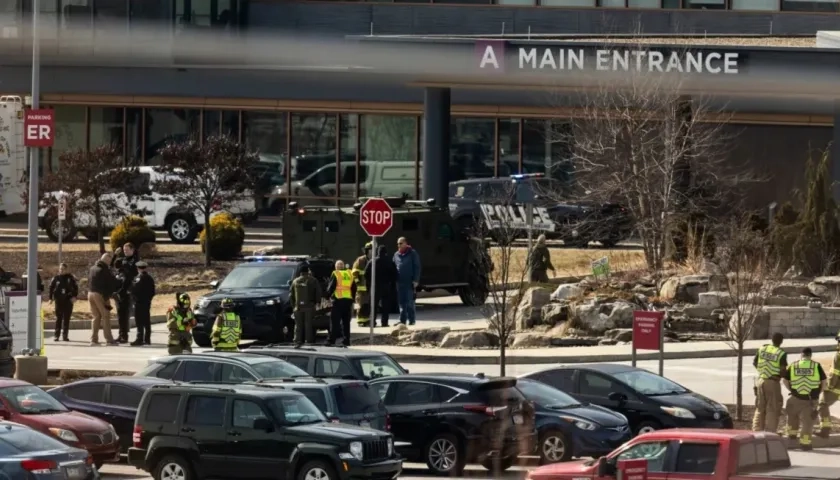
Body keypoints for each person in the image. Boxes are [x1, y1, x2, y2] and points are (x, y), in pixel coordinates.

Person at [783, 347, 827, 450]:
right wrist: (818, 392)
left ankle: (791, 436)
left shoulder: (793, 365)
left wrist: (792, 390)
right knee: (808, 422)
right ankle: (805, 443)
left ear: (801, 355)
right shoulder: (816, 366)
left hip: (795, 398)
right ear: (810, 355)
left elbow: (785, 380)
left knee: (792, 418)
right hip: (810, 400)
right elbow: (824, 382)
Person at [752, 332, 787, 432]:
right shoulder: (781, 353)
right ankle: (769, 433)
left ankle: (756, 431)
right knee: (772, 409)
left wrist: (763, 372)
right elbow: (783, 371)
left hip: (761, 381)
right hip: (772, 382)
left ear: (771, 340)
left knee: (760, 408)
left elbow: (755, 362)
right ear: (781, 341)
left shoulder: (762, 349)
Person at [88, 253, 119, 346]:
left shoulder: (92, 268)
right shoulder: (104, 270)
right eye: (109, 261)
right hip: (101, 295)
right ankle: (109, 339)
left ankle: (93, 340)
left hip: (90, 294)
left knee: (96, 317)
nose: (110, 263)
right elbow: (110, 283)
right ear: (106, 260)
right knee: (106, 316)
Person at [289, 265, 322, 348]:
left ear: (300, 272)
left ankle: (297, 341)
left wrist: (294, 306)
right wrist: (317, 303)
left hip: (298, 307)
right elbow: (318, 292)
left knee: (298, 325)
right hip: (309, 307)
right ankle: (309, 341)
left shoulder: (295, 281)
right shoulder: (313, 280)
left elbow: (291, 295)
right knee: (308, 324)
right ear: (308, 271)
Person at [366, 245, 397, 328]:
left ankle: (372, 322)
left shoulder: (372, 261)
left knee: (373, 305)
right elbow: (395, 274)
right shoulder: (390, 262)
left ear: (378, 252)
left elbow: (366, 273)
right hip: (386, 286)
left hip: (375, 286)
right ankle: (384, 322)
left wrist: (369, 283)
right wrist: (392, 284)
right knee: (385, 305)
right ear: (386, 252)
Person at [113, 242, 139, 344]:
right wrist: (115, 255)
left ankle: (125, 336)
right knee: (120, 314)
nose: (125, 252)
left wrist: (124, 266)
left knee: (125, 314)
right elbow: (113, 265)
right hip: (119, 290)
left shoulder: (135, 260)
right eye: (124, 250)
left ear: (132, 250)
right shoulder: (123, 259)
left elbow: (131, 273)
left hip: (127, 291)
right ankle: (121, 335)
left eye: (127, 250)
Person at [393, 236, 421, 326]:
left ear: (405, 243)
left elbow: (417, 266)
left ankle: (412, 320)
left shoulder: (412, 253)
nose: (399, 245)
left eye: (400, 243)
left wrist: (416, 280)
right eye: (398, 243)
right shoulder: (396, 255)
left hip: (409, 282)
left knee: (409, 302)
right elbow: (394, 266)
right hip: (399, 282)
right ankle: (402, 320)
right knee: (401, 302)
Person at [326, 260, 354, 346]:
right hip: (348, 301)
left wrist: (327, 297)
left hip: (338, 301)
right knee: (346, 323)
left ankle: (331, 341)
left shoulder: (336, 273)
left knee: (335, 322)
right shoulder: (349, 273)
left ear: (336, 267)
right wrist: (352, 299)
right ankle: (346, 340)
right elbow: (354, 287)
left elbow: (331, 287)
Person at [818, 330, 840, 438]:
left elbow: (834, 373)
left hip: (837, 388)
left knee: (823, 403)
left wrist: (829, 386)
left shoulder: (838, 355)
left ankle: (825, 429)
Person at [48, 263, 78, 342]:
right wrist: (50, 298)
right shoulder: (56, 278)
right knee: (59, 318)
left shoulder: (71, 278)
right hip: (59, 300)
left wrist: (74, 297)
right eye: (60, 269)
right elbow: (51, 287)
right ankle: (56, 335)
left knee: (66, 318)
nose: (61, 270)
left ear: (66, 270)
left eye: (63, 269)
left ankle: (65, 336)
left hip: (68, 300)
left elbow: (75, 288)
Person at [130, 261, 155, 346]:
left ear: (138, 268)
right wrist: (149, 299)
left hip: (139, 302)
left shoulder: (138, 278)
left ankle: (139, 338)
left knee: (139, 321)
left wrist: (133, 297)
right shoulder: (150, 278)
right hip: (146, 302)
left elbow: (134, 289)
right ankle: (147, 339)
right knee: (146, 320)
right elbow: (152, 291)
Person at [352, 243, 372, 327]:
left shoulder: (372, 260)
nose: (372, 252)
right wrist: (357, 283)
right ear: (367, 251)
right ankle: (360, 320)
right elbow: (354, 273)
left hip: (369, 287)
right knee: (360, 304)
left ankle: (366, 319)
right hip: (361, 287)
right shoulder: (360, 260)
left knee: (367, 304)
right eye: (370, 250)